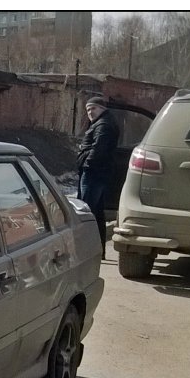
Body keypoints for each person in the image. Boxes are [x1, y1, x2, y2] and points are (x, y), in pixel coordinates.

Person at [76, 95, 119, 258]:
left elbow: (99, 148)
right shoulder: (102, 123)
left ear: (103, 109)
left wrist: (87, 165)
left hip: (93, 173)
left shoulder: (103, 125)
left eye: (93, 108)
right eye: (87, 109)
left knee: (86, 212)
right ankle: (98, 250)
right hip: (98, 172)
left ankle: (86, 251)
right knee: (97, 213)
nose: (90, 112)